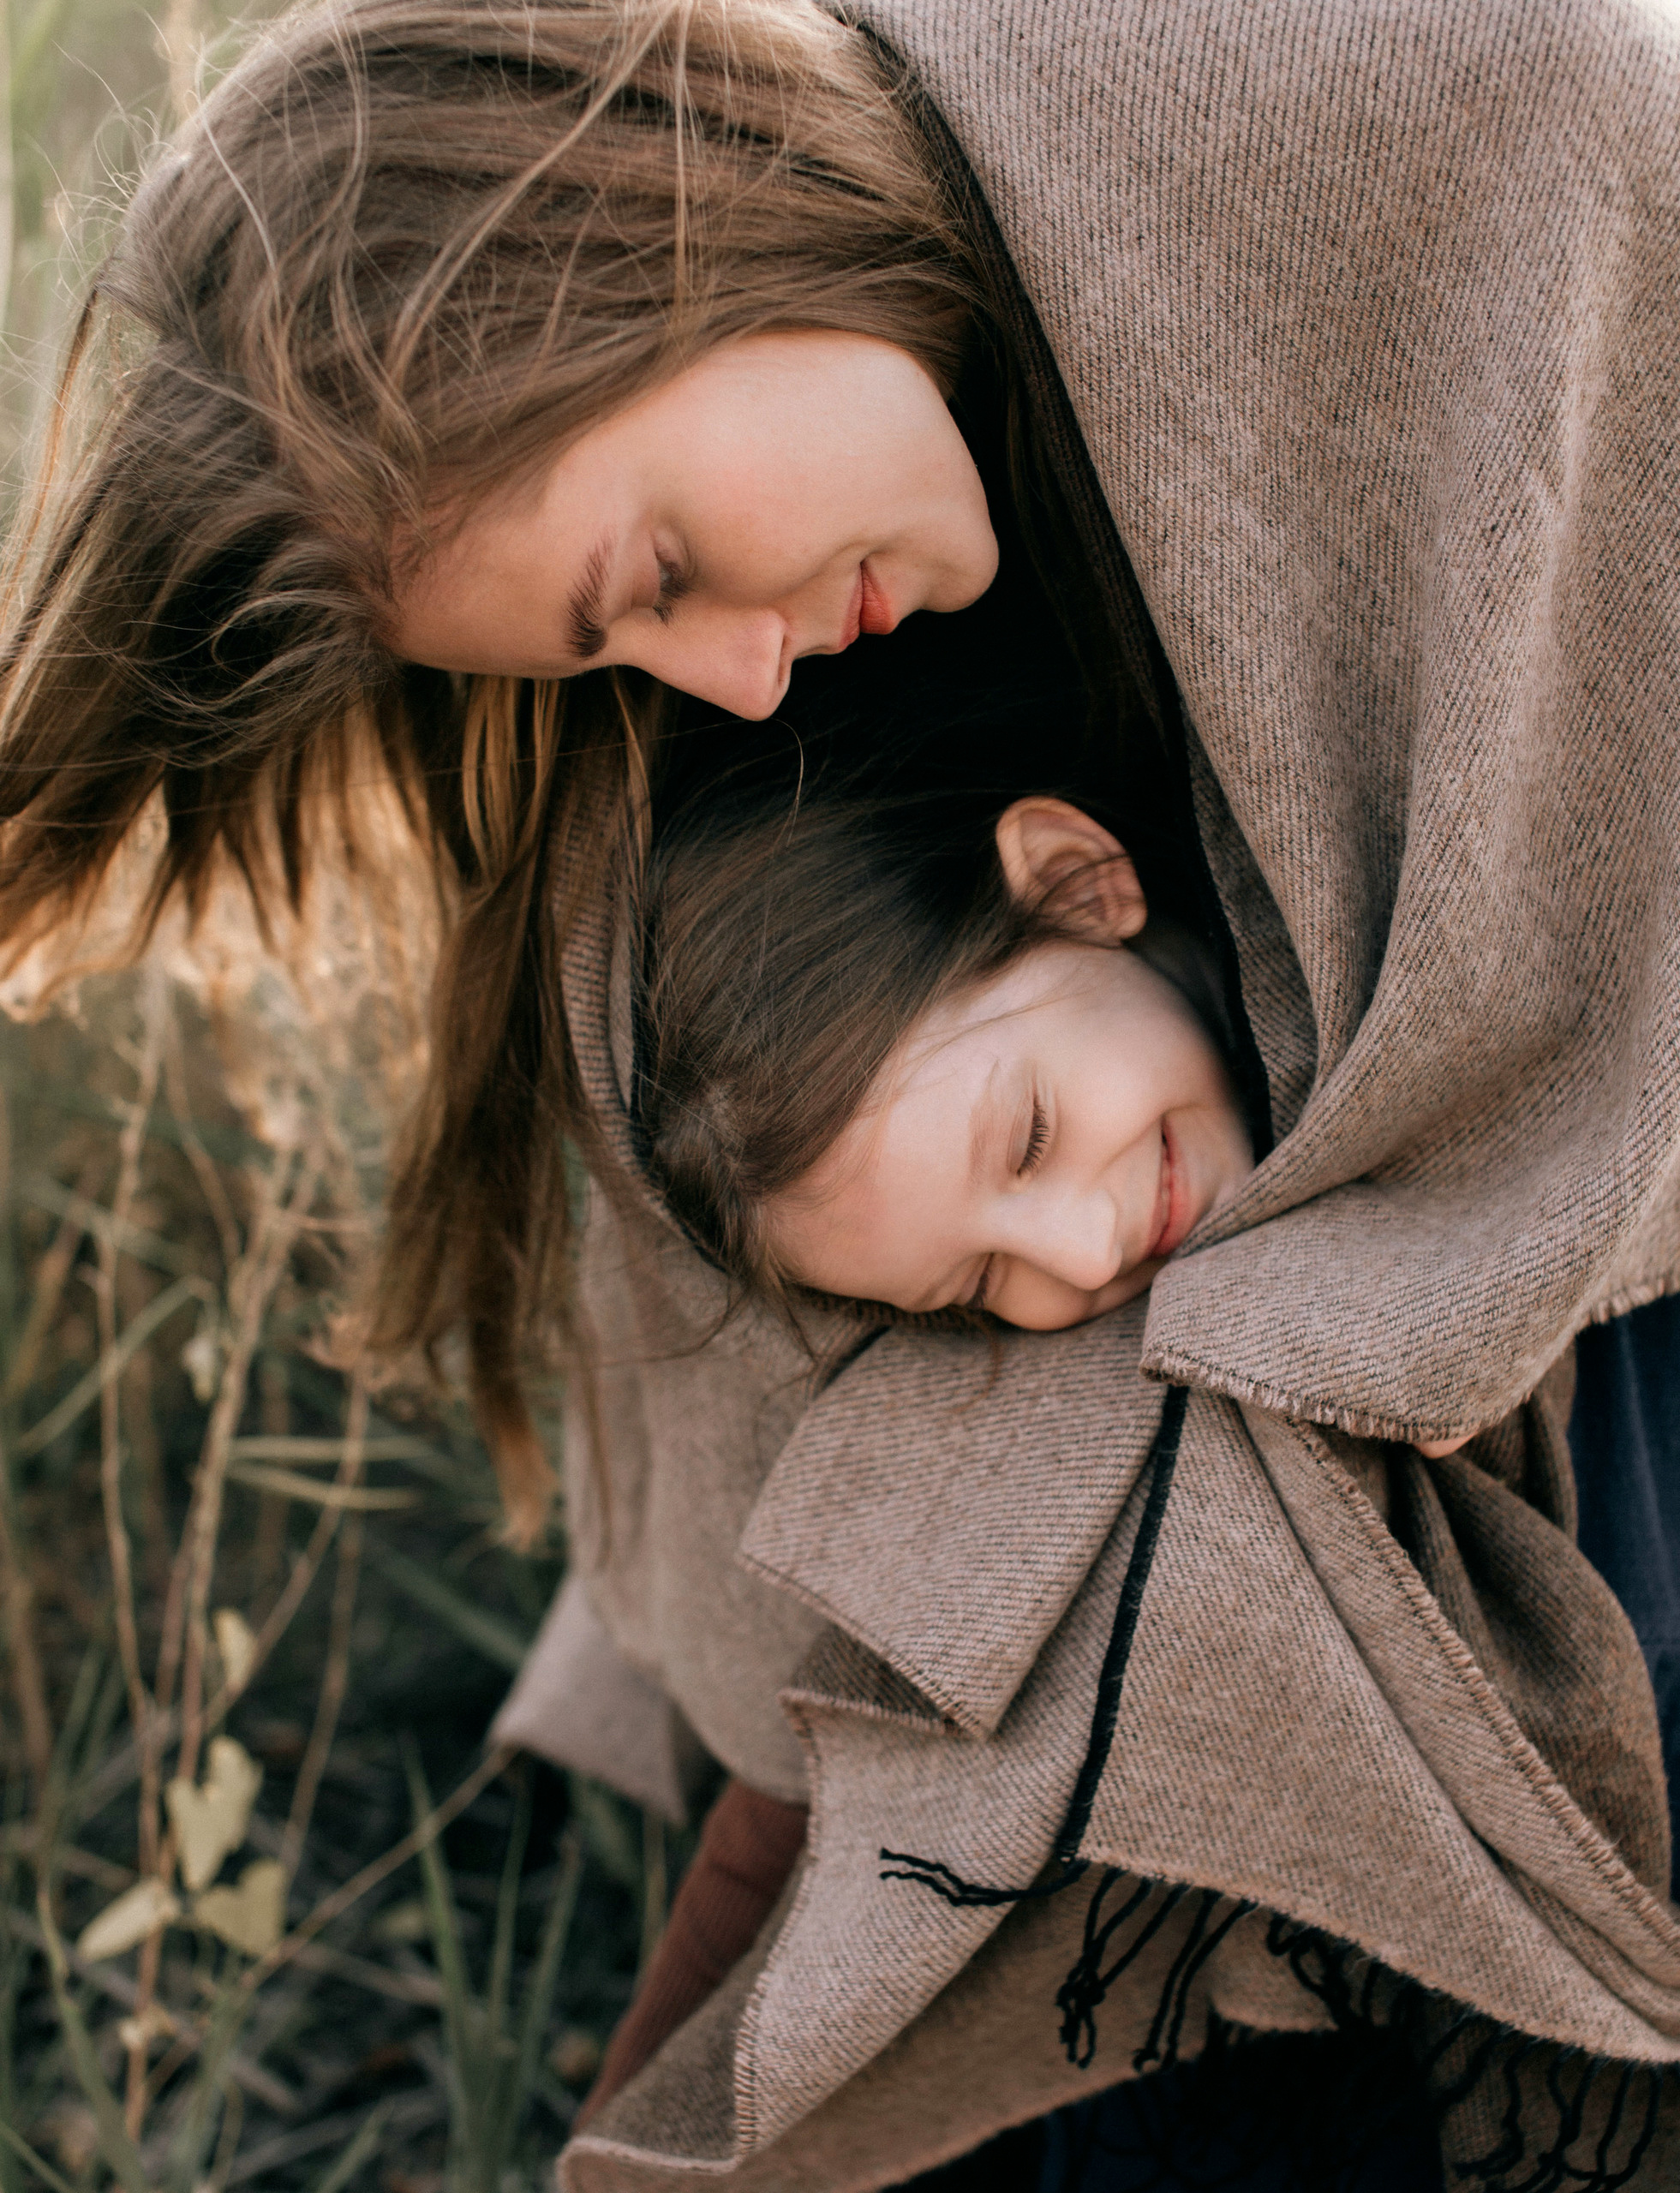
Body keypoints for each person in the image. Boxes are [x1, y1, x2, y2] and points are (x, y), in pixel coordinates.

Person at [3, 0, 1679, 2184]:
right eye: (615, 647)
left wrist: (1440, 1232)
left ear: (665, 236)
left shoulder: (1422, 122)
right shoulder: (756, 744)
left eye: (658, 578)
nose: (732, 671)